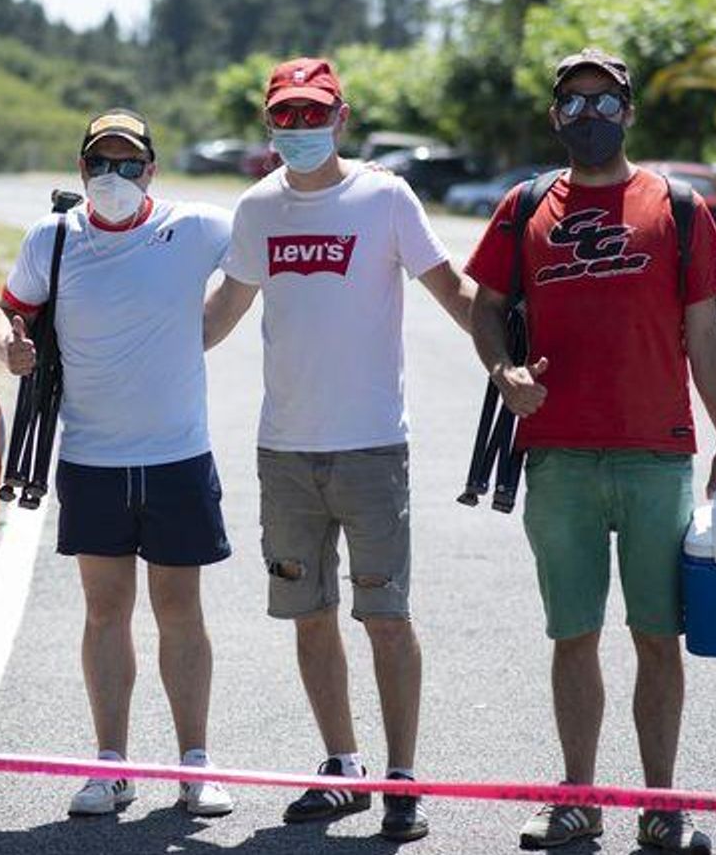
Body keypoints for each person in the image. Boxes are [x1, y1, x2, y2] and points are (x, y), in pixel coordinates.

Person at [464, 48, 716, 854]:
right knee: (573, 634)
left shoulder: (678, 206)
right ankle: (578, 797)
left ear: (629, 111)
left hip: (657, 456)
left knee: (658, 636)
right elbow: (488, 307)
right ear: (556, 117)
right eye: (575, 106)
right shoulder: (524, 207)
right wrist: (504, 370)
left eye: (605, 103)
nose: (590, 118)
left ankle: (663, 806)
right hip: (556, 458)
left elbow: (707, 333)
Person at [202, 57, 477, 843]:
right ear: (269, 124)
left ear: (341, 117)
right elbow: (218, 314)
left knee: (384, 616)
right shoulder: (257, 209)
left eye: (312, 114)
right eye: (285, 117)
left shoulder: (385, 196)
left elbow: (450, 286)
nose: (299, 129)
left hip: (371, 449)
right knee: (309, 614)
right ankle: (342, 767)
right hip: (285, 451)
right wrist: (122, 345)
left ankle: (401, 778)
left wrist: (504, 352)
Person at [0, 108, 235, 818]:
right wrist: (8, 344)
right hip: (92, 457)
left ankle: (195, 764)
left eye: (129, 164)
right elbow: (6, 310)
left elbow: (263, 253)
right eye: (102, 163)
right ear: (82, 172)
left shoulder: (195, 227)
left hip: (177, 456)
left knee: (180, 611)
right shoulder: (54, 238)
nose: (115, 176)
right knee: (105, 612)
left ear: (151, 169)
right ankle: (111, 765)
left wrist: (212, 325)